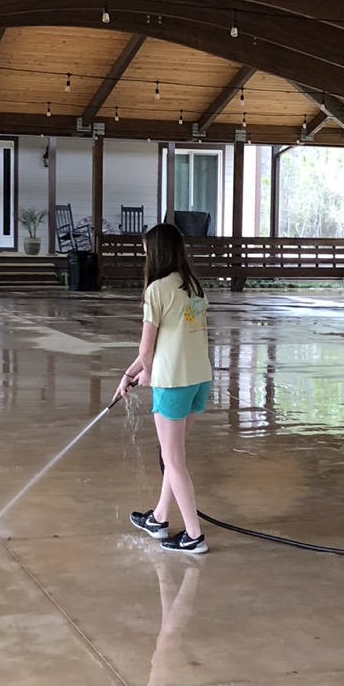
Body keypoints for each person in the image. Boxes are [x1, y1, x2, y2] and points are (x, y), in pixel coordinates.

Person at [116, 221, 211, 555]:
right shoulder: (193, 286)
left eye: (145, 249)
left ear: (155, 251)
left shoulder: (156, 290)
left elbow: (148, 349)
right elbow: (169, 344)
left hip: (173, 383)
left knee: (173, 459)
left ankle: (194, 536)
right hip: (199, 380)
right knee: (175, 457)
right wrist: (129, 374)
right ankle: (159, 517)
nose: (143, 254)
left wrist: (149, 375)